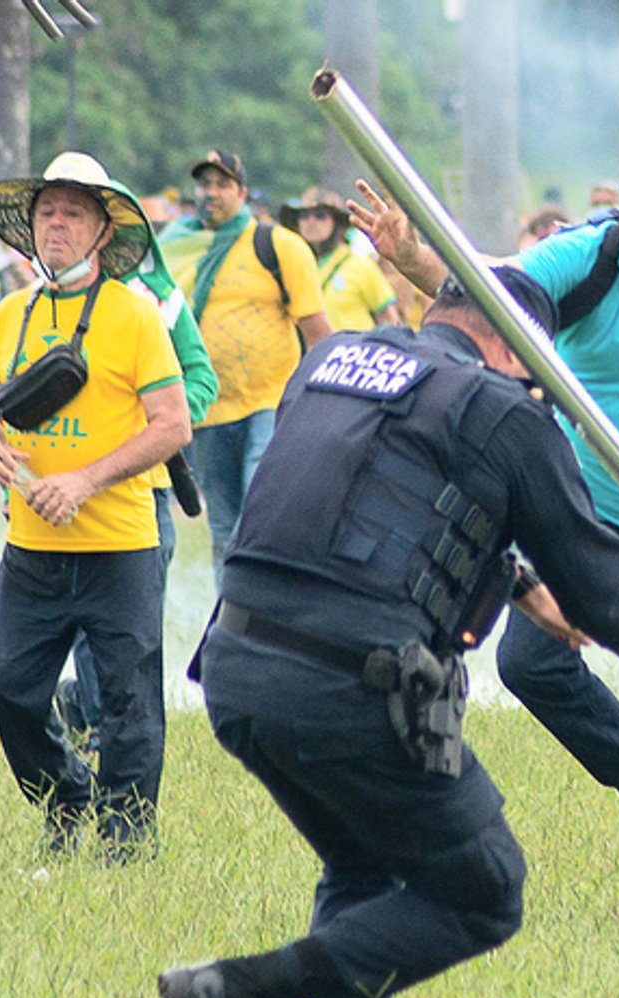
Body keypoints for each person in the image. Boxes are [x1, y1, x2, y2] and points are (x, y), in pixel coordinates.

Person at [159, 267, 619, 998]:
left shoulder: (337, 358)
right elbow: (599, 582)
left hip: (238, 665)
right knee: (485, 891)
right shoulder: (505, 412)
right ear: (516, 345)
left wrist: (517, 581)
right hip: (349, 682)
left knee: (362, 864)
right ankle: (236, 994)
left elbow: (381, 498)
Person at [355, 143, 619, 914]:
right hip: (586, 505)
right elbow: (489, 302)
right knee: (530, 665)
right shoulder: (585, 260)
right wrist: (417, 260)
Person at [0, 152, 189, 855]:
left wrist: (85, 481)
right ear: (30, 229)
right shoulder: (12, 314)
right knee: (9, 692)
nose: (57, 224)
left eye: (74, 213)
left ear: (100, 232)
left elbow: (173, 425)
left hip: (119, 547)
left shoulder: (135, 316)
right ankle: (67, 797)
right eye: (48, 212)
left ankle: (126, 841)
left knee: (128, 705)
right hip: (31, 550)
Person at [49, 157, 223, 764]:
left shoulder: (161, 302)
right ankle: (92, 715)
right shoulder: (40, 306)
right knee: (74, 618)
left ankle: (104, 725)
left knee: (130, 627)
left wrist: (161, 417)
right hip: (59, 489)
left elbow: (200, 380)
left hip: (144, 489)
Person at [160, 149, 332, 581]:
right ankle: (228, 618)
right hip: (207, 405)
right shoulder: (175, 248)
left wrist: (324, 401)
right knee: (222, 525)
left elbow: (318, 332)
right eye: (203, 185)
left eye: (221, 185)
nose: (210, 193)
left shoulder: (277, 246)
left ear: (241, 192)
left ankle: (267, 604)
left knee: (259, 513)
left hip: (268, 401)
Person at [280, 187, 401, 332]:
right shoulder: (293, 267)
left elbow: (388, 318)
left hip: (356, 350)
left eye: (320, 216)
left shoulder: (358, 265)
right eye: (304, 216)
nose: (311, 222)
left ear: (336, 223)